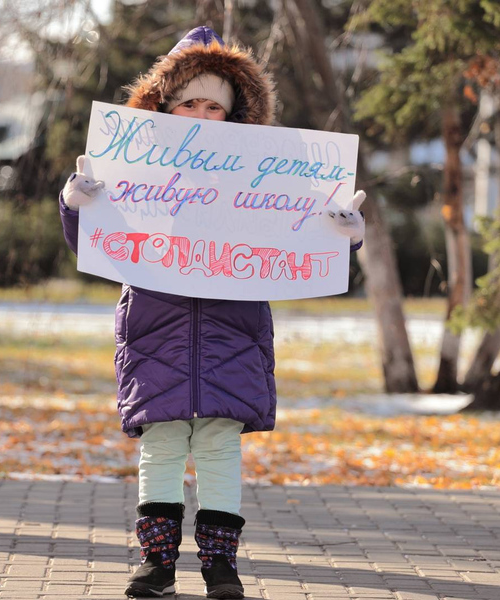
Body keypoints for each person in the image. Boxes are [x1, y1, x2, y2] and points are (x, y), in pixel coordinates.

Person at [58, 26, 366, 599]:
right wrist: (78, 206)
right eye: (188, 102)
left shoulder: (262, 176)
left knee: (221, 446)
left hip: (234, 334)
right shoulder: (136, 170)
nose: (200, 114)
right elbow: (99, 242)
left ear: (234, 114)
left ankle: (221, 566)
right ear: (163, 107)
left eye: (214, 106)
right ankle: (157, 563)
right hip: (157, 331)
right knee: (163, 445)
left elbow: (296, 237)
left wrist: (342, 238)